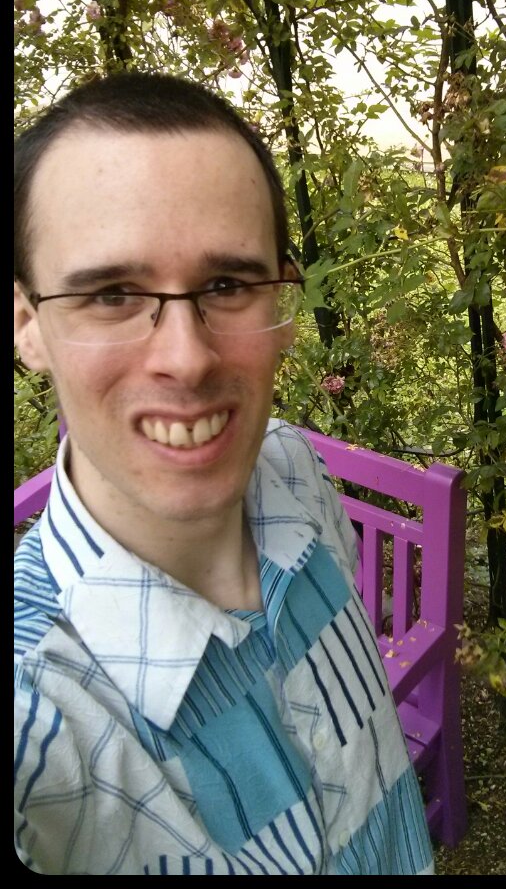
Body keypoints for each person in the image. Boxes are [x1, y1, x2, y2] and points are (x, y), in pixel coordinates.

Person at [13, 72, 434, 875]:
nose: (187, 359)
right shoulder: (40, 712)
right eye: (112, 294)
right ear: (29, 325)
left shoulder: (294, 468)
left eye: (228, 285)